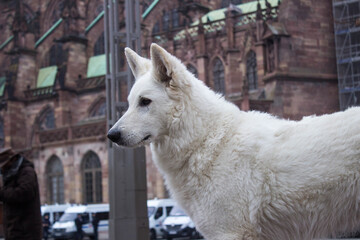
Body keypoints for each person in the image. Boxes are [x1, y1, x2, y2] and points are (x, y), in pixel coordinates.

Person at [0, 147, 42, 240]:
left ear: (13, 159)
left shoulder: (26, 172)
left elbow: (23, 193)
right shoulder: (11, 174)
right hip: (15, 230)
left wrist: (2, 193)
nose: (3, 168)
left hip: (25, 232)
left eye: (5, 165)